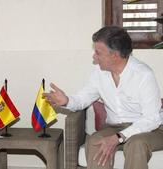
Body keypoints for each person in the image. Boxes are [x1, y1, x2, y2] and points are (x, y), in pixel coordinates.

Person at [44, 26, 163, 169]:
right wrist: (67, 101)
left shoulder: (143, 75)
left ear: (114, 55)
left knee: (135, 144)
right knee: (96, 141)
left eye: (98, 52)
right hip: (114, 126)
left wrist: (118, 137)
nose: (94, 56)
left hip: (150, 130)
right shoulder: (99, 73)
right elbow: (83, 98)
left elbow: (151, 119)